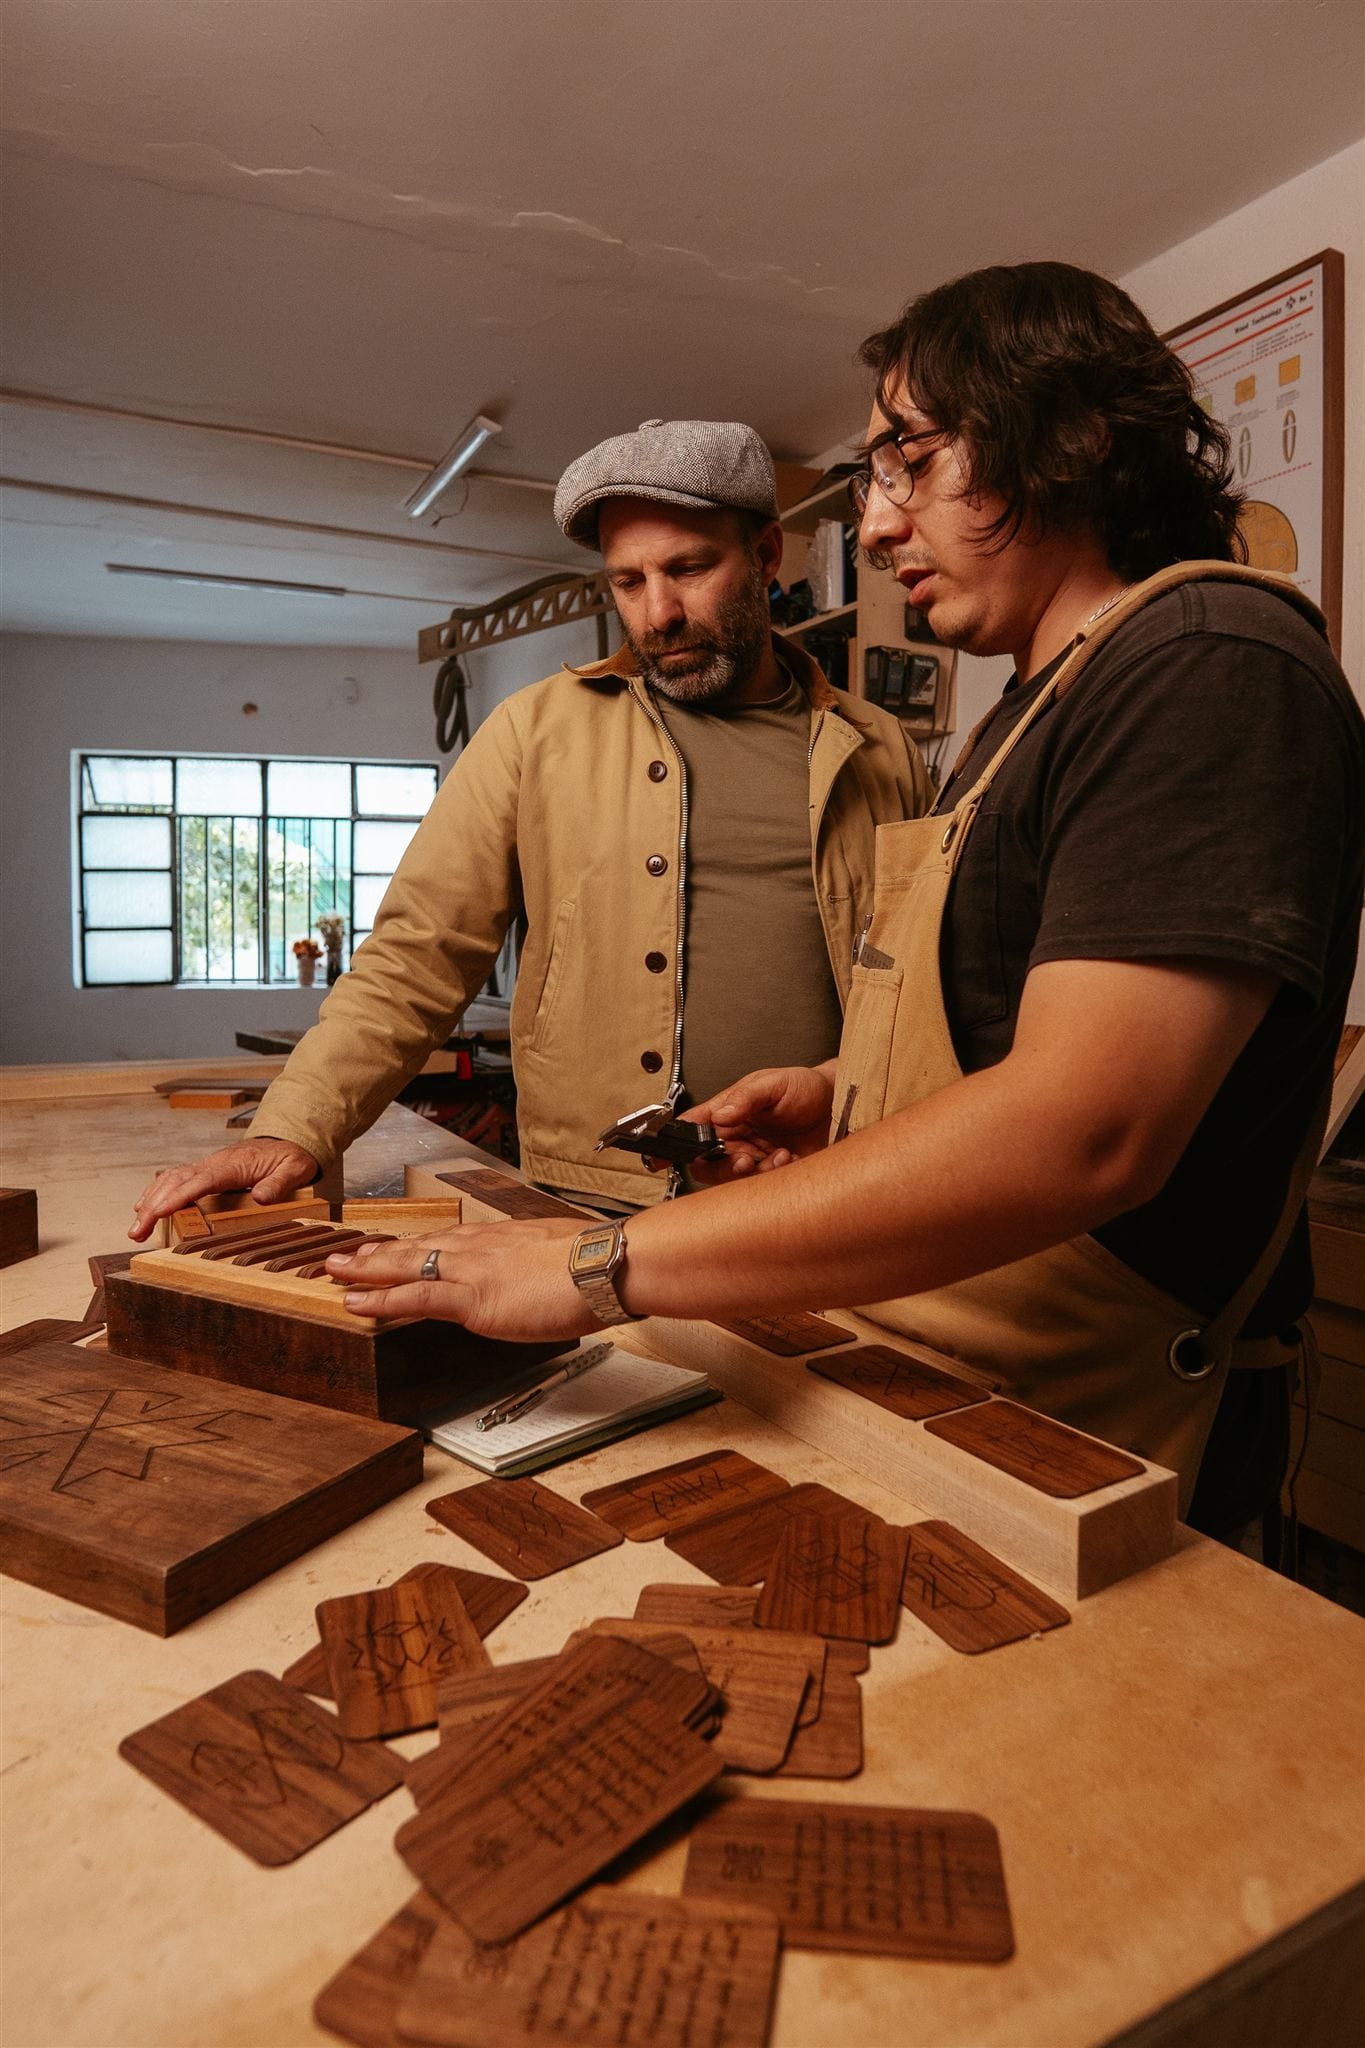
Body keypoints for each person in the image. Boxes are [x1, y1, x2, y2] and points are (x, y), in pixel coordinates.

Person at [323, 262, 1363, 1536]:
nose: (871, 526)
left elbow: (1088, 1126)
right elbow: (993, 1037)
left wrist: (599, 1265)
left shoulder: (1205, 663)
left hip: (1104, 1431)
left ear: (1076, 437)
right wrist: (845, 1100)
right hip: (951, 1374)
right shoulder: (1034, 714)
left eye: (907, 460)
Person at [130, 418, 930, 1238]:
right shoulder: (534, 732)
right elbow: (418, 955)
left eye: (688, 569)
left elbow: (923, 989)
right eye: (627, 581)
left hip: (824, 1187)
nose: (657, 613)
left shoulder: (880, 750)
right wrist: (292, 1126)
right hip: (594, 1199)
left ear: (766, 556)